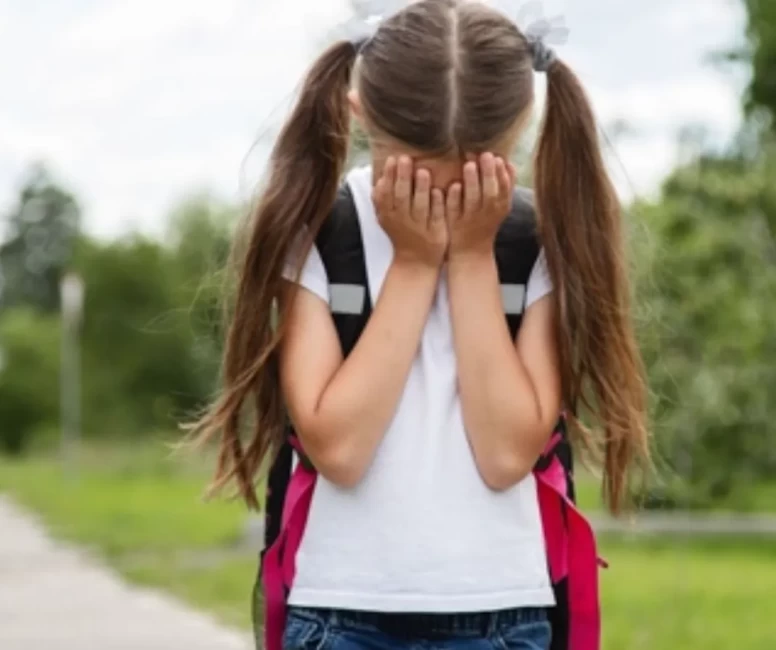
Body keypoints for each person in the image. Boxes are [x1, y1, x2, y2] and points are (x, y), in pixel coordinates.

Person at [191, 1, 650, 649]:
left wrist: (471, 256)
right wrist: (412, 263)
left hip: (503, 615)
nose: (442, 201)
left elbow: (505, 456)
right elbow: (339, 451)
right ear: (359, 114)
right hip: (339, 614)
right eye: (410, 175)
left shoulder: (536, 241)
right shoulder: (320, 231)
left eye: (472, 178)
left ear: (520, 126)